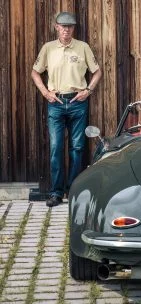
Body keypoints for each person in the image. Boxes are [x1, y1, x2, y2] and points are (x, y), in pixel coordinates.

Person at [31, 12, 102, 207]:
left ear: (74, 28)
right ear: (56, 27)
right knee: (56, 148)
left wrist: (88, 90)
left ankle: (73, 191)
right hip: (55, 103)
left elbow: (97, 72)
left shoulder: (83, 47)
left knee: (77, 148)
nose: (66, 29)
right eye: (63, 26)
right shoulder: (48, 48)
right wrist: (45, 92)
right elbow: (35, 72)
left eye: (70, 26)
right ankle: (55, 193)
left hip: (77, 103)